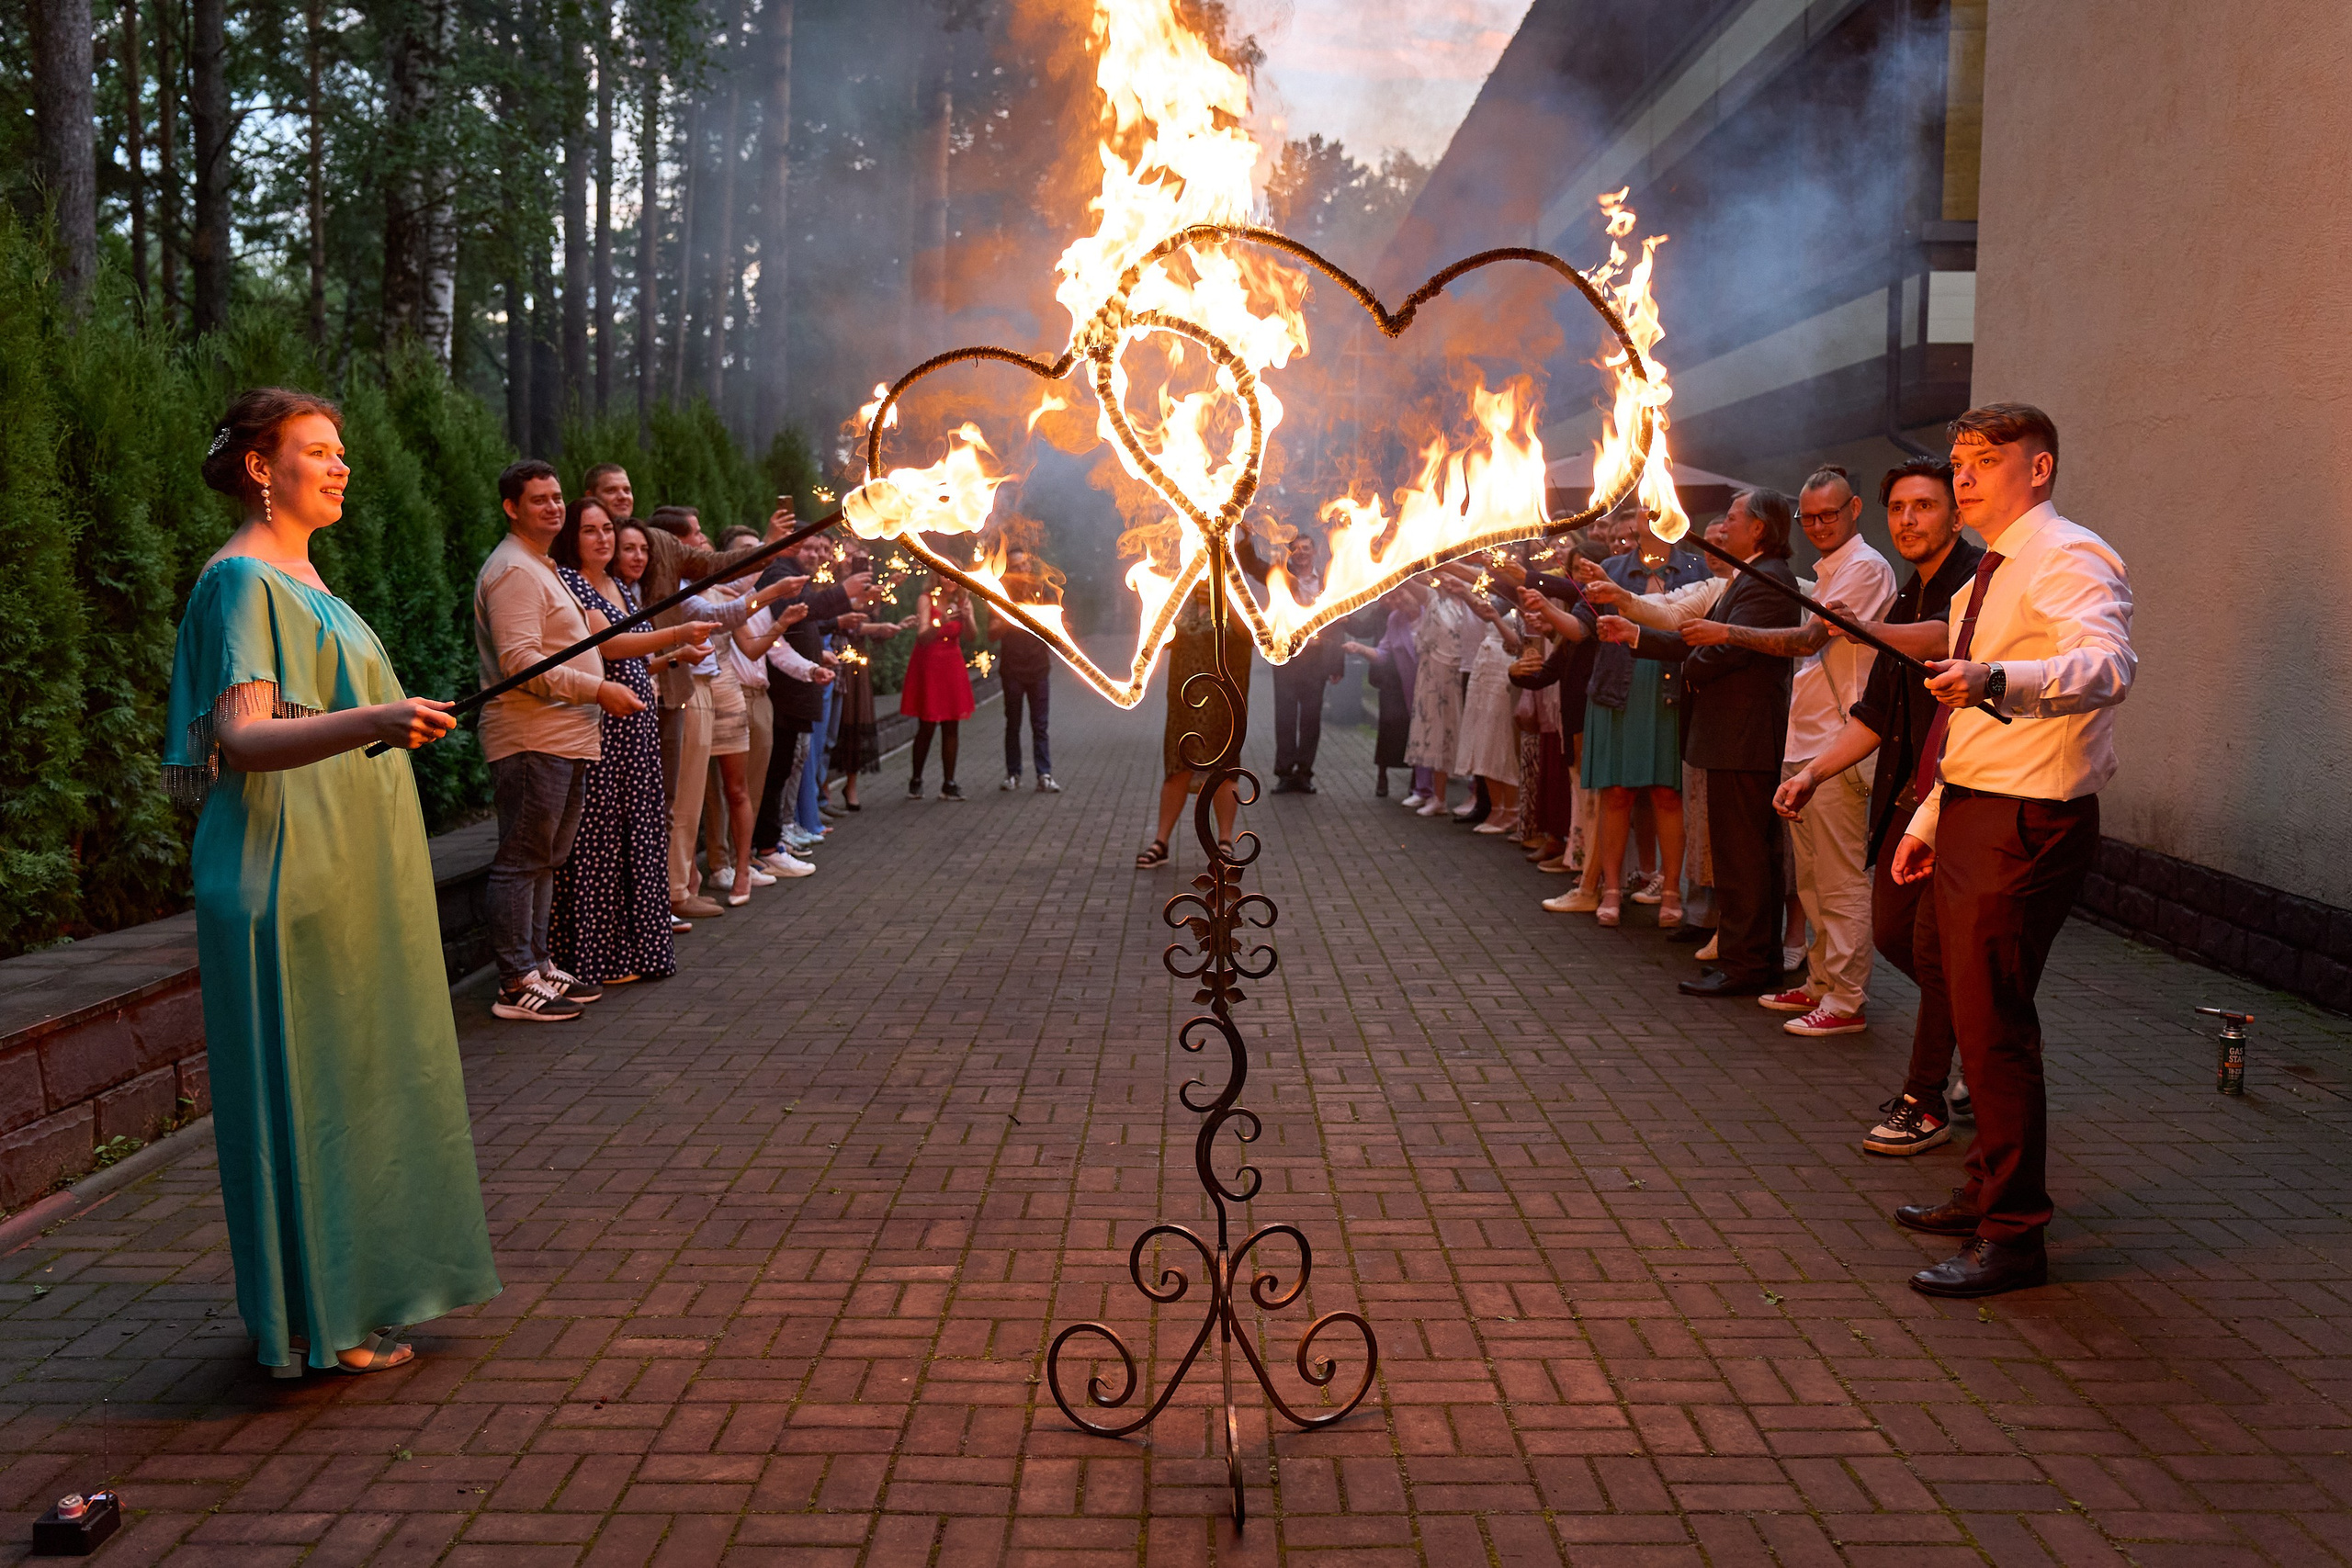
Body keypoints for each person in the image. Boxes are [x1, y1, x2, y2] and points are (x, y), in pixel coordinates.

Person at [165, 388, 499, 1375]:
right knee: (313, 1094)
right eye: (319, 450)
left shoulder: (305, 578)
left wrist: (389, 715)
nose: (342, 465)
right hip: (287, 868)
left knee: (363, 1083)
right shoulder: (240, 582)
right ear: (261, 468)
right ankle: (322, 1317)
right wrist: (375, 720)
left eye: (343, 451)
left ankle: (359, 1294)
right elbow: (240, 738)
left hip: (349, 864)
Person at [1883, 403, 2134, 1299]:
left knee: (1994, 1026)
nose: (1961, 475)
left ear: (2037, 469)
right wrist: (1925, 824)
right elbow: (1962, 719)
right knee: (1968, 1004)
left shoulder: (2068, 556)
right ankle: (1988, 1187)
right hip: (1973, 812)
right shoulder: (1979, 578)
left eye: (1983, 460)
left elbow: (2107, 667)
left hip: (2028, 820)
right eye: (1956, 459)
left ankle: (2014, 1236)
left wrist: (1994, 677)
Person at [1775, 457, 1983, 1153]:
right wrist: (1811, 772)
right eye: (1900, 508)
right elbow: (1873, 712)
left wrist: (1862, 631)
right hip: (1907, 793)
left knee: (1935, 944)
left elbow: (1951, 638)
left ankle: (1929, 1093)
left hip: (1965, 791)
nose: (1909, 520)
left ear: (1956, 514)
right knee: (1898, 934)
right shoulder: (1906, 594)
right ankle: (1976, 1040)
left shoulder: (1976, 578)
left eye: (1924, 506)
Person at [476, 459, 644, 1021]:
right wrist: (598, 690)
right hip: (531, 737)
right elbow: (520, 662)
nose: (553, 507)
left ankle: (540, 965)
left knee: (548, 859)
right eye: (539, 499)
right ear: (511, 508)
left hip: (566, 738)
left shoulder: (539, 565)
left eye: (557, 498)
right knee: (523, 860)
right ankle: (514, 982)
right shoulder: (514, 571)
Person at [1615, 488, 1800, 997]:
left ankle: (1746, 965)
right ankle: (1750, 960)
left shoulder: (1767, 580)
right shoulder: (1745, 577)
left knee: (1744, 858)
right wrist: (1634, 635)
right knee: (1745, 856)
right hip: (1735, 738)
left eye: (1734, 519)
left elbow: (1721, 652)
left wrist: (1694, 662)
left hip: (1743, 738)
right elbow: (1699, 638)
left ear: (1759, 529)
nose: (1723, 529)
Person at [548, 501, 719, 979]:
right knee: (602, 843)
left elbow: (634, 660)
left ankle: (636, 951)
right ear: (572, 538)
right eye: (590, 531)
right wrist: (679, 629)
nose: (602, 539)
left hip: (640, 730)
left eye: (608, 529)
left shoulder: (621, 586)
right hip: (607, 728)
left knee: (639, 839)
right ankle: (599, 957)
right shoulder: (572, 584)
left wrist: (675, 653)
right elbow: (608, 646)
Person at [1571, 520, 1708, 924]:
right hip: (1619, 690)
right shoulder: (1612, 567)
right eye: (1643, 513)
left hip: (1669, 691)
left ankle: (1670, 892)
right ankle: (1610, 892)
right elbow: (1580, 627)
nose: (1649, 519)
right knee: (1616, 793)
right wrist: (1541, 605)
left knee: (1668, 794)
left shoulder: (1696, 569)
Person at [1137, 580, 1250, 867]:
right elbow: (1161, 640)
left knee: (1222, 770)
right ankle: (1161, 842)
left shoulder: (1237, 603)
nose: (1204, 585)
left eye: (1210, 579)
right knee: (1177, 767)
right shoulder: (1183, 605)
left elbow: (1252, 637)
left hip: (1222, 705)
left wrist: (1225, 601)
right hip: (1183, 705)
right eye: (1200, 580)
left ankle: (1224, 841)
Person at [1443, 570, 1526, 834]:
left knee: (1500, 738)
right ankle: (1497, 808)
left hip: (1505, 664)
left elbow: (1516, 642)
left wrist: (1468, 592)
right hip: (1486, 662)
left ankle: (1511, 809)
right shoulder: (1503, 593)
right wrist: (1464, 593)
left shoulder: (1524, 593)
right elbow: (1487, 610)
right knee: (1484, 737)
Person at [1267, 535, 1344, 793]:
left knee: (1311, 718)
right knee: (1285, 717)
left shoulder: (1327, 581)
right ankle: (1284, 772)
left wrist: (1337, 662)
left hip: (1316, 659)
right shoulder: (1280, 579)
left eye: (1306, 548)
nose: (1301, 552)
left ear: (1313, 552)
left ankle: (1305, 773)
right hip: (1288, 658)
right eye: (1296, 548)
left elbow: (1337, 623)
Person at [990, 545, 1064, 793]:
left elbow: (1056, 634)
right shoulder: (1000, 596)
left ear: (1029, 565)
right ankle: (1013, 774)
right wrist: (1010, 617)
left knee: (1040, 724)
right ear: (1007, 571)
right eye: (1015, 567)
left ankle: (1044, 774)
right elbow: (991, 633)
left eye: (1023, 564)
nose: (1021, 570)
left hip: (1038, 668)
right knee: (1013, 723)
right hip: (1012, 669)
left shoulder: (1043, 591)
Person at [1401, 573, 1468, 816]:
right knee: (1437, 732)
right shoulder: (1433, 598)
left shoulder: (1472, 597)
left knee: (1462, 733)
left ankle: (1476, 796)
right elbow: (1406, 579)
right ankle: (1437, 797)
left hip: (1463, 672)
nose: (1448, 581)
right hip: (1434, 675)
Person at [902, 579, 977, 798]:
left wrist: (968, 617)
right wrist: (940, 622)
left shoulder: (964, 600)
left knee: (951, 724)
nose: (949, 580)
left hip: (952, 663)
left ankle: (949, 782)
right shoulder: (926, 600)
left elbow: (972, 636)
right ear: (937, 577)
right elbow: (922, 637)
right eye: (945, 575)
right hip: (930, 662)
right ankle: (916, 780)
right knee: (927, 724)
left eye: (953, 575)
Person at [1340, 589, 1419, 798]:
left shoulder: (1423, 613)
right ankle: (1383, 776)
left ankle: (1418, 783)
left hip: (1418, 681)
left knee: (1415, 732)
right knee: (1389, 726)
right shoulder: (1388, 617)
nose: (1392, 601)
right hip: (1390, 680)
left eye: (1397, 596)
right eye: (1388, 597)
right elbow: (1375, 643)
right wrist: (1345, 620)